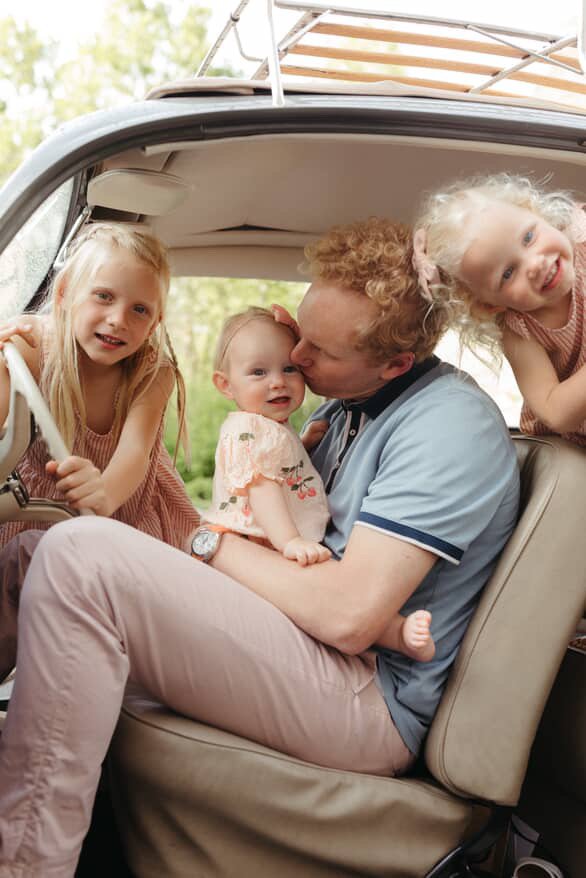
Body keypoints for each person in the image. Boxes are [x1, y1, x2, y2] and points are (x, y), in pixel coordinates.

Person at [0, 216, 520, 877]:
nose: (296, 358)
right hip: (309, 648)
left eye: (319, 352)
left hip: (367, 696)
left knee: (80, 555)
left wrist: (203, 541)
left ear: (395, 362)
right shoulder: (343, 409)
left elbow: (348, 617)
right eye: (300, 331)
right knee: (33, 552)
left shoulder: (447, 427)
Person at [205, 305, 435, 660]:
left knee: (341, 596)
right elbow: (263, 489)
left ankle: (399, 634)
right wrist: (290, 541)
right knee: (327, 591)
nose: (277, 381)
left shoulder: (271, 428)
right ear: (225, 384)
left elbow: (282, 469)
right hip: (262, 542)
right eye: (258, 372)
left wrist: (304, 444)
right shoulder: (249, 429)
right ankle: (397, 635)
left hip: (273, 542)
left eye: (289, 368)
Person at [0, 223, 199, 549]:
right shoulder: (31, 346)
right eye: (104, 296)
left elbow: (135, 452)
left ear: (154, 324)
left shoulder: (152, 371)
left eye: (139, 310)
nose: (119, 319)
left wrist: (104, 493)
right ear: (64, 294)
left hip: (126, 508)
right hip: (40, 513)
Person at [413, 172, 586, 446]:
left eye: (529, 237)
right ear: (489, 304)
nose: (535, 264)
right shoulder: (518, 329)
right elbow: (555, 412)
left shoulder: (582, 241)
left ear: (539, 214)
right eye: (507, 273)